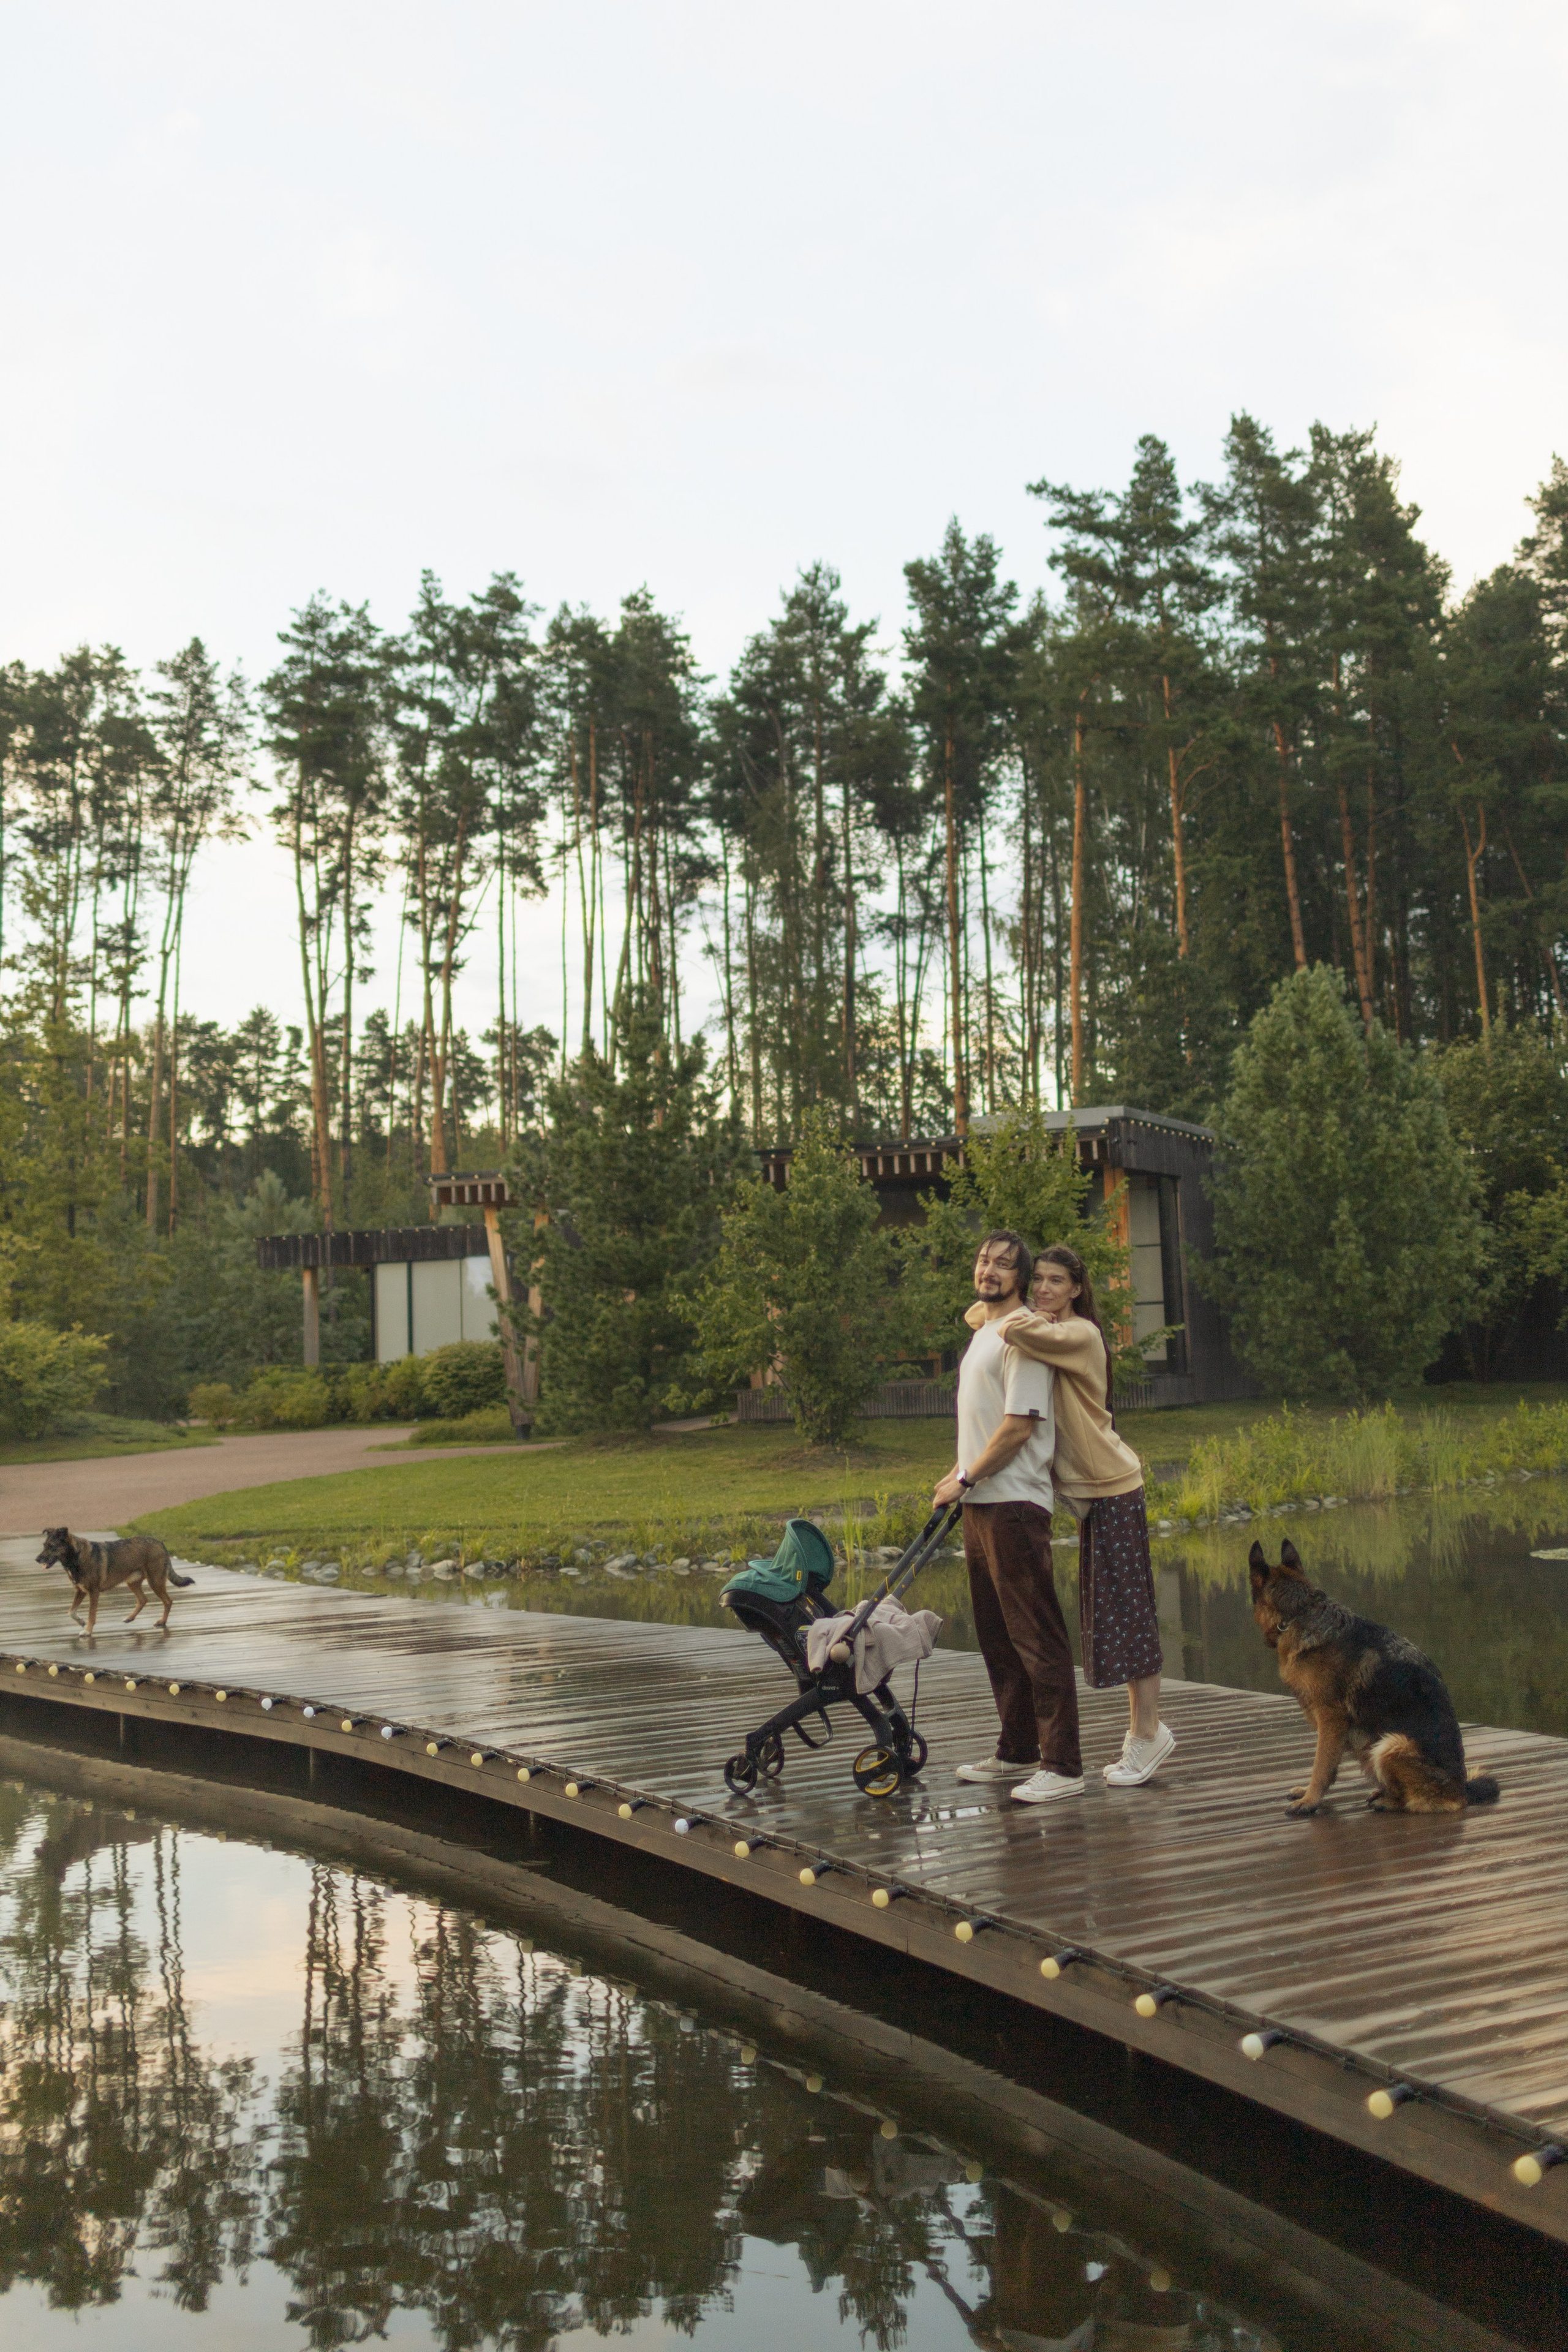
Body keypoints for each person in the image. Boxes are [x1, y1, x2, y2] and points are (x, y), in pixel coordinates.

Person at [990, 1240, 1173, 1786]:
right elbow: (981, 1312)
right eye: (1037, 1280)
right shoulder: (1055, 1331)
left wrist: (1015, 1306)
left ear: (1075, 1289)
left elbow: (1012, 1327)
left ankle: (1149, 1734)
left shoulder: (1079, 1334)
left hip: (1114, 1487)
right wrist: (1005, 1306)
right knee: (1110, 1616)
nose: (1044, 1290)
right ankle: (1141, 1733)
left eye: (1053, 1282)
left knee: (1130, 1616)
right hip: (1096, 1495)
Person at [933, 1229, 1083, 1804]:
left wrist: (968, 1477)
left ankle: (1063, 1765)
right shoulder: (985, 1333)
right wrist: (958, 1474)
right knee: (997, 1638)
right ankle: (1017, 1749)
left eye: (1002, 1264)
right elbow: (986, 1421)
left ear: (1020, 1278)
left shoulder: (1024, 1337)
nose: (989, 1270)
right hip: (979, 1502)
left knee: (1036, 1635)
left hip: (1015, 1505)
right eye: (983, 1260)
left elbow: (1020, 1425)